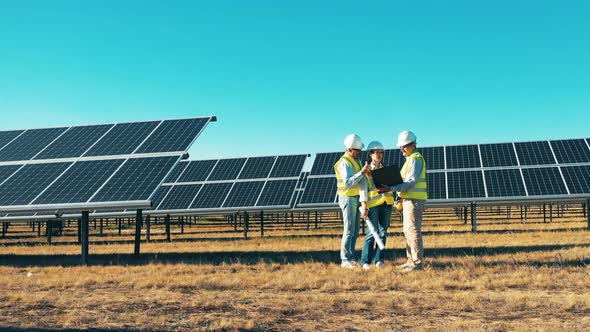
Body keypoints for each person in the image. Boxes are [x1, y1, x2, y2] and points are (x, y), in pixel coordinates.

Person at [378, 130, 427, 272]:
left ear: (412, 144)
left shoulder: (415, 159)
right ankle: (410, 260)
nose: (401, 149)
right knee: (407, 231)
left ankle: (417, 264)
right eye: (400, 146)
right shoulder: (409, 160)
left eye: (404, 146)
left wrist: (391, 187)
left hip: (414, 200)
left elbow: (410, 182)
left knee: (413, 231)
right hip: (407, 200)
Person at [334, 134, 371, 268]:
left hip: (355, 198)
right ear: (350, 149)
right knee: (349, 229)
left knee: (355, 230)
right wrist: (361, 173)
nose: (360, 152)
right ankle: (345, 259)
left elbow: (360, 180)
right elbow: (349, 182)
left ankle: (351, 257)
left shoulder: (356, 161)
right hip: (347, 198)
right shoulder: (344, 162)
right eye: (358, 150)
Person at [360, 141, 394, 270]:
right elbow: (363, 189)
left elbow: (391, 187)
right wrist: (365, 206)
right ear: (370, 154)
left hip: (386, 204)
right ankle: (365, 261)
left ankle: (379, 260)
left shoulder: (386, 169)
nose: (380, 155)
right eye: (377, 152)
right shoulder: (366, 170)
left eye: (381, 152)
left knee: (383, 233)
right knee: (371, 233)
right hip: (373, 205)